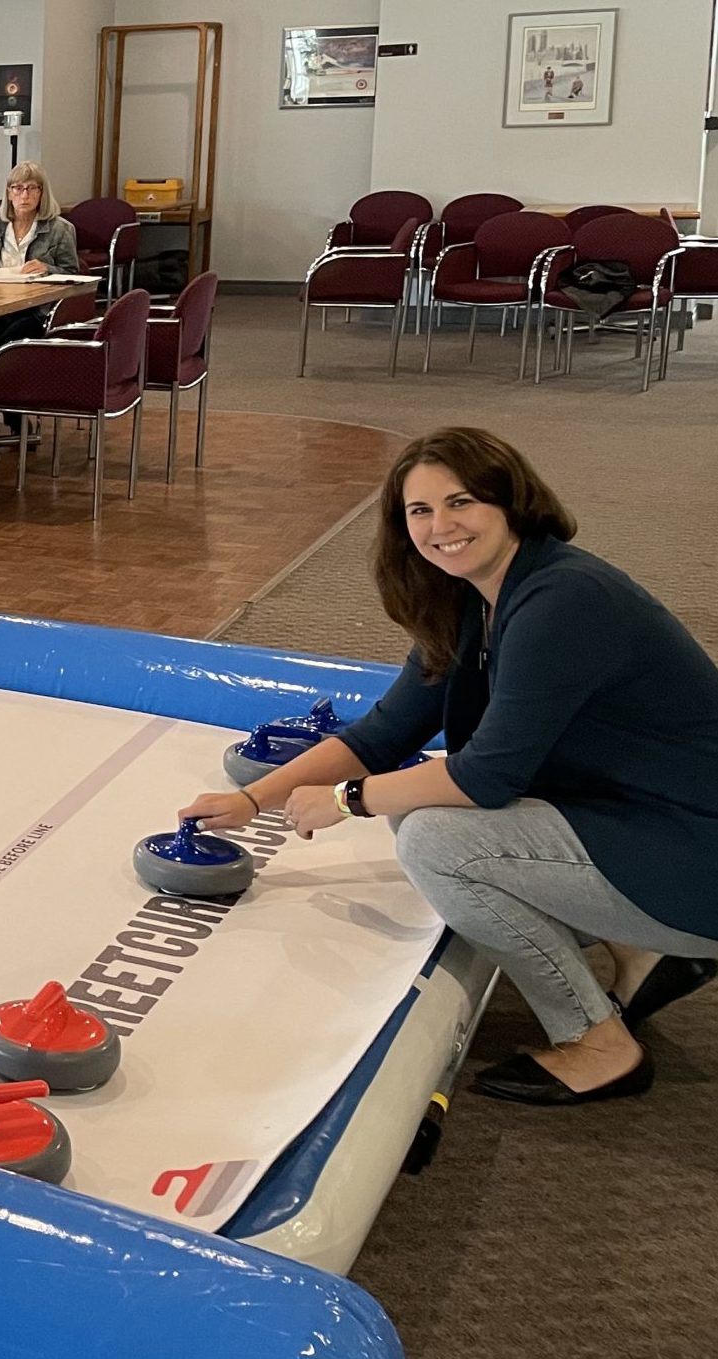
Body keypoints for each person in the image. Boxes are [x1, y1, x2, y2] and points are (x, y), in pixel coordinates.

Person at [183, 428, 718, 1106]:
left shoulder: (562, 600)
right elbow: (385, 731)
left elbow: (484, 776)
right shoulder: (473, 599)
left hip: (696, 849)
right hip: (640, 816)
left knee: (438, 840)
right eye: (419, 511)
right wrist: (251, 801)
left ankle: (599, 1042)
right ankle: (640, 952)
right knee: (413, 801)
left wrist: (346, 799)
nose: (441, 526)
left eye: (460, 501)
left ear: (510, 501)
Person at [0, 163, 82, 425]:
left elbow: (74, 275)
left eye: (31, 189)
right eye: (18, 188)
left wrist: (47, 268)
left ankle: (7, 408)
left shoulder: (60, 229)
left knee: (7, 346)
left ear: (42, 193)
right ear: (8, 193)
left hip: (37, 310)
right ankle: (0, 395)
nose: (24, 196)